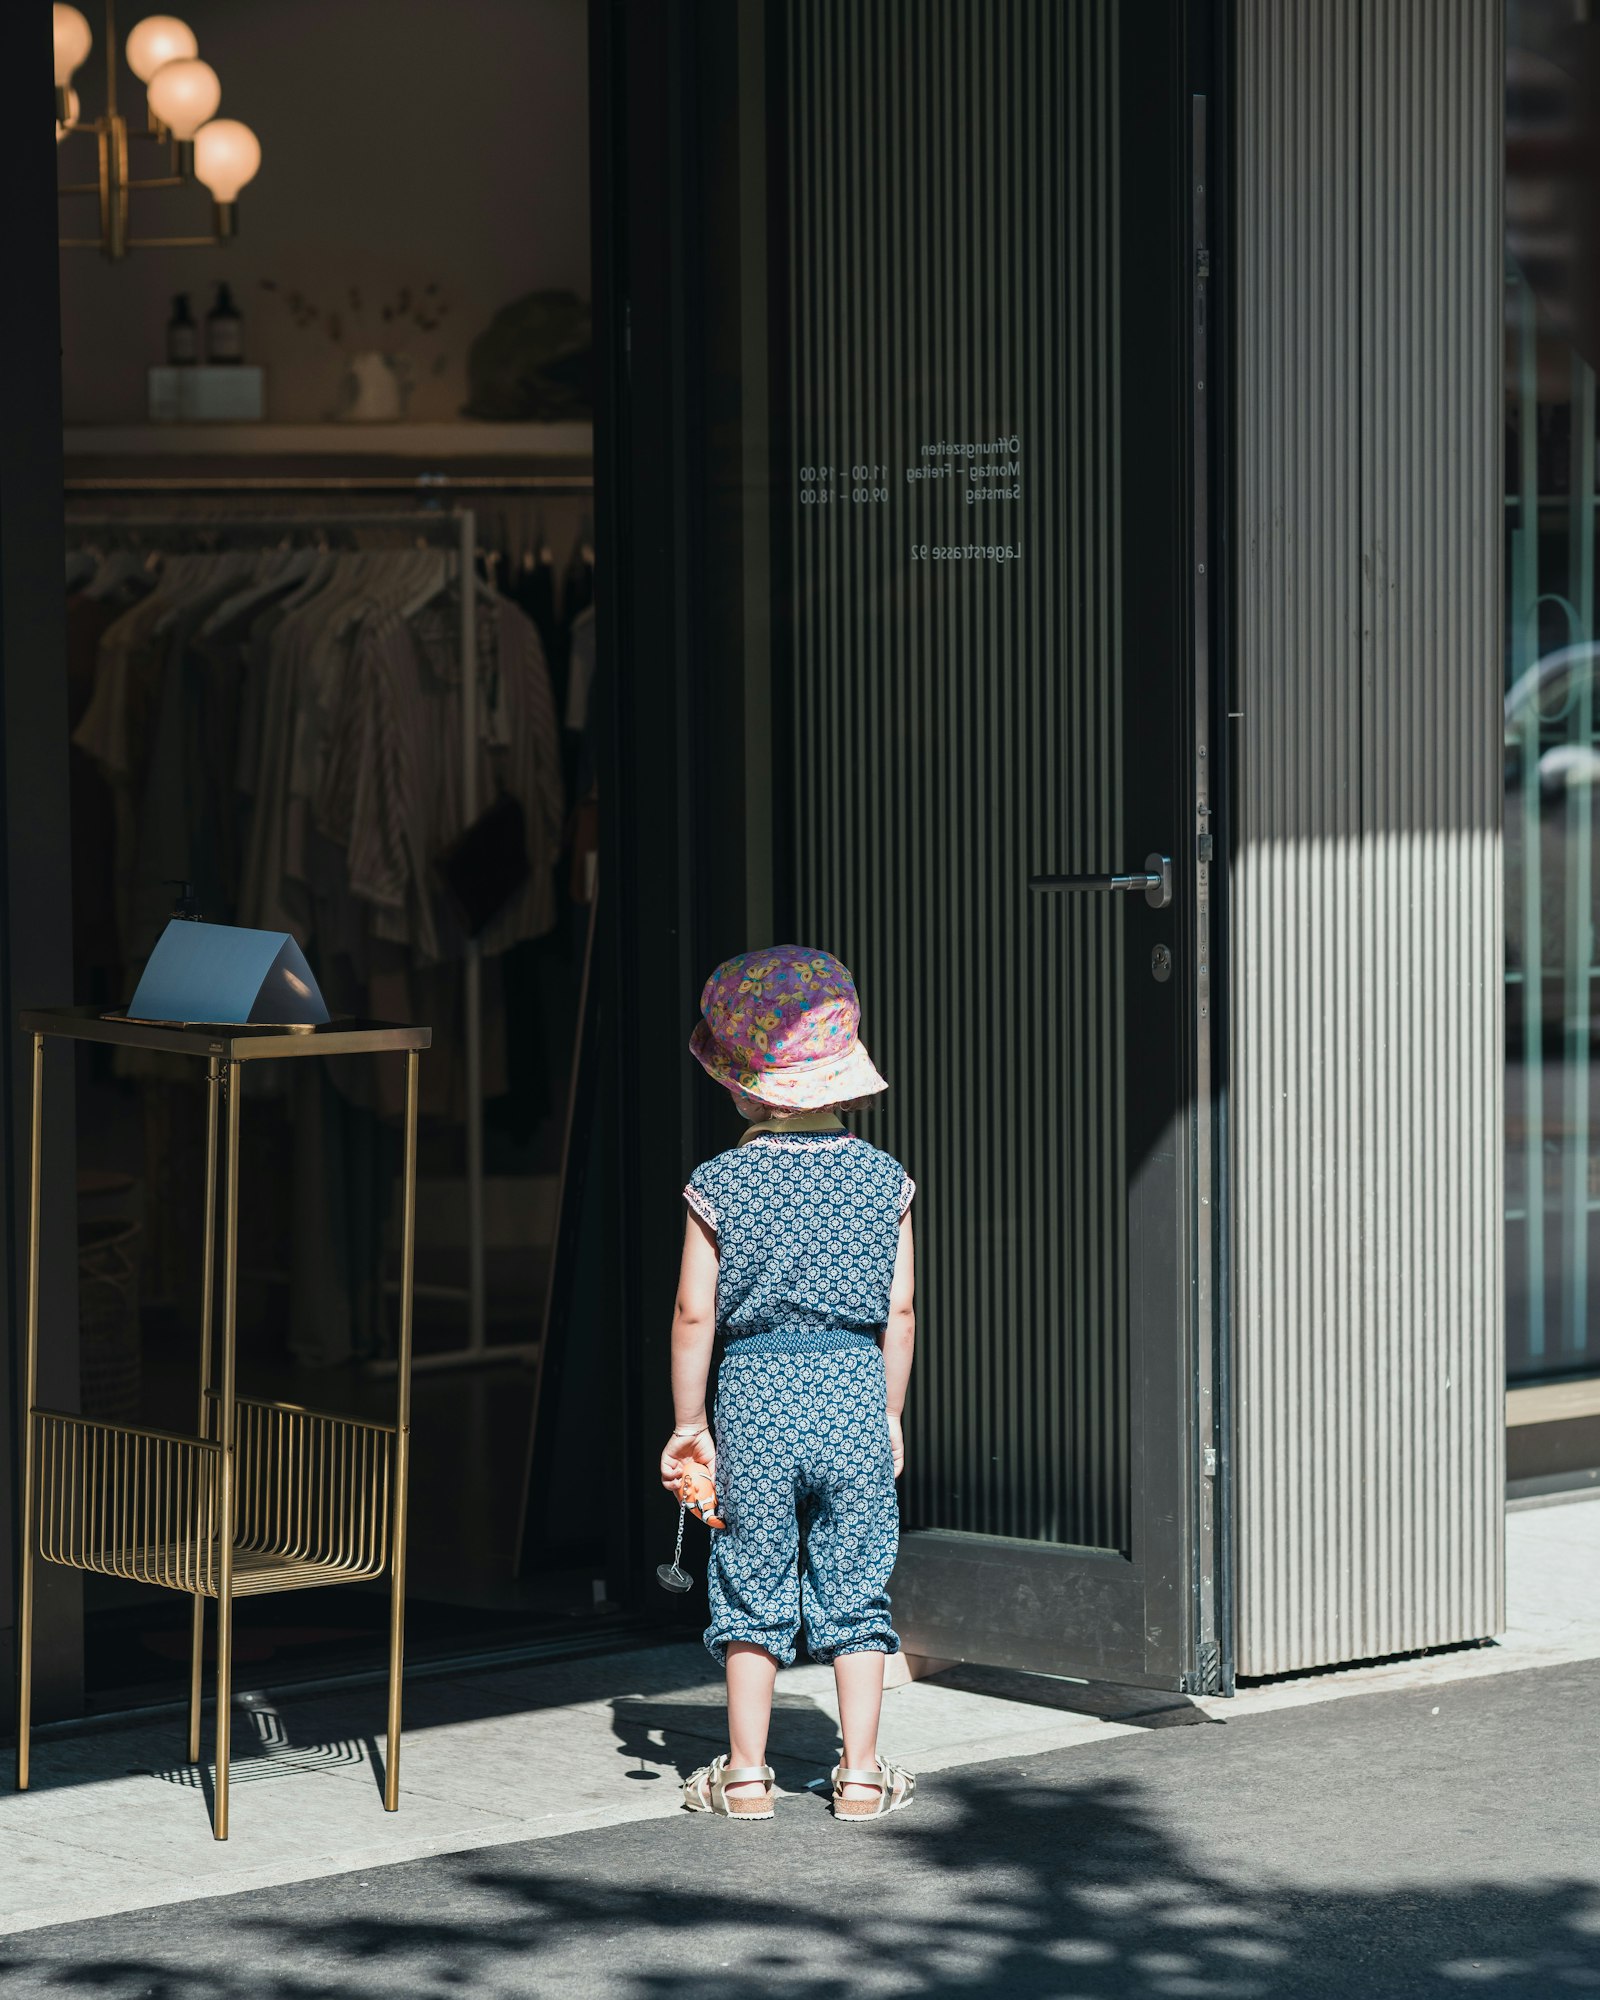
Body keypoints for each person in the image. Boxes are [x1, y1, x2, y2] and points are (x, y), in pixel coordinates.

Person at [660, 945, 918, 1823]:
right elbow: (904, 1308)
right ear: (845, 1081)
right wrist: (887, 1412)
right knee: (856, 1580)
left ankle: (743, 1777)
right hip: (850, 1383)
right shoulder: (885, 1180)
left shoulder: (719, 1183)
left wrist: (690, 1422)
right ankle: (860, 1775)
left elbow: (695, 1315)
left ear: (737, 1086)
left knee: (750, 1579)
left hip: (755, 1393)